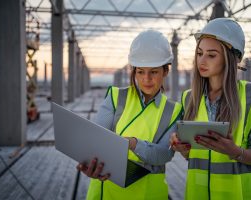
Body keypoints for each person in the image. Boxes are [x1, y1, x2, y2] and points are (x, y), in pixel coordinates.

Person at [170, 18, 251, 200]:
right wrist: (183, 149)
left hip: (239, 194)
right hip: (198, 194)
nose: (202, 60)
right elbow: (194, 156)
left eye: (211, 55)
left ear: (232, 57)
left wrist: (234, 151)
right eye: (199, 53)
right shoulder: (189, 98)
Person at [77, 30, 182, 200]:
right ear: (134, 71)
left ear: (165, 71)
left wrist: (133, 144)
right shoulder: (116, 97)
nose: (146, 79)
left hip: (148, 193)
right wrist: (92, 164)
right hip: (107, 191)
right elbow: (97, 141)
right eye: (140, 71)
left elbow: (164, 154)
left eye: (153, 72)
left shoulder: (173, 110)